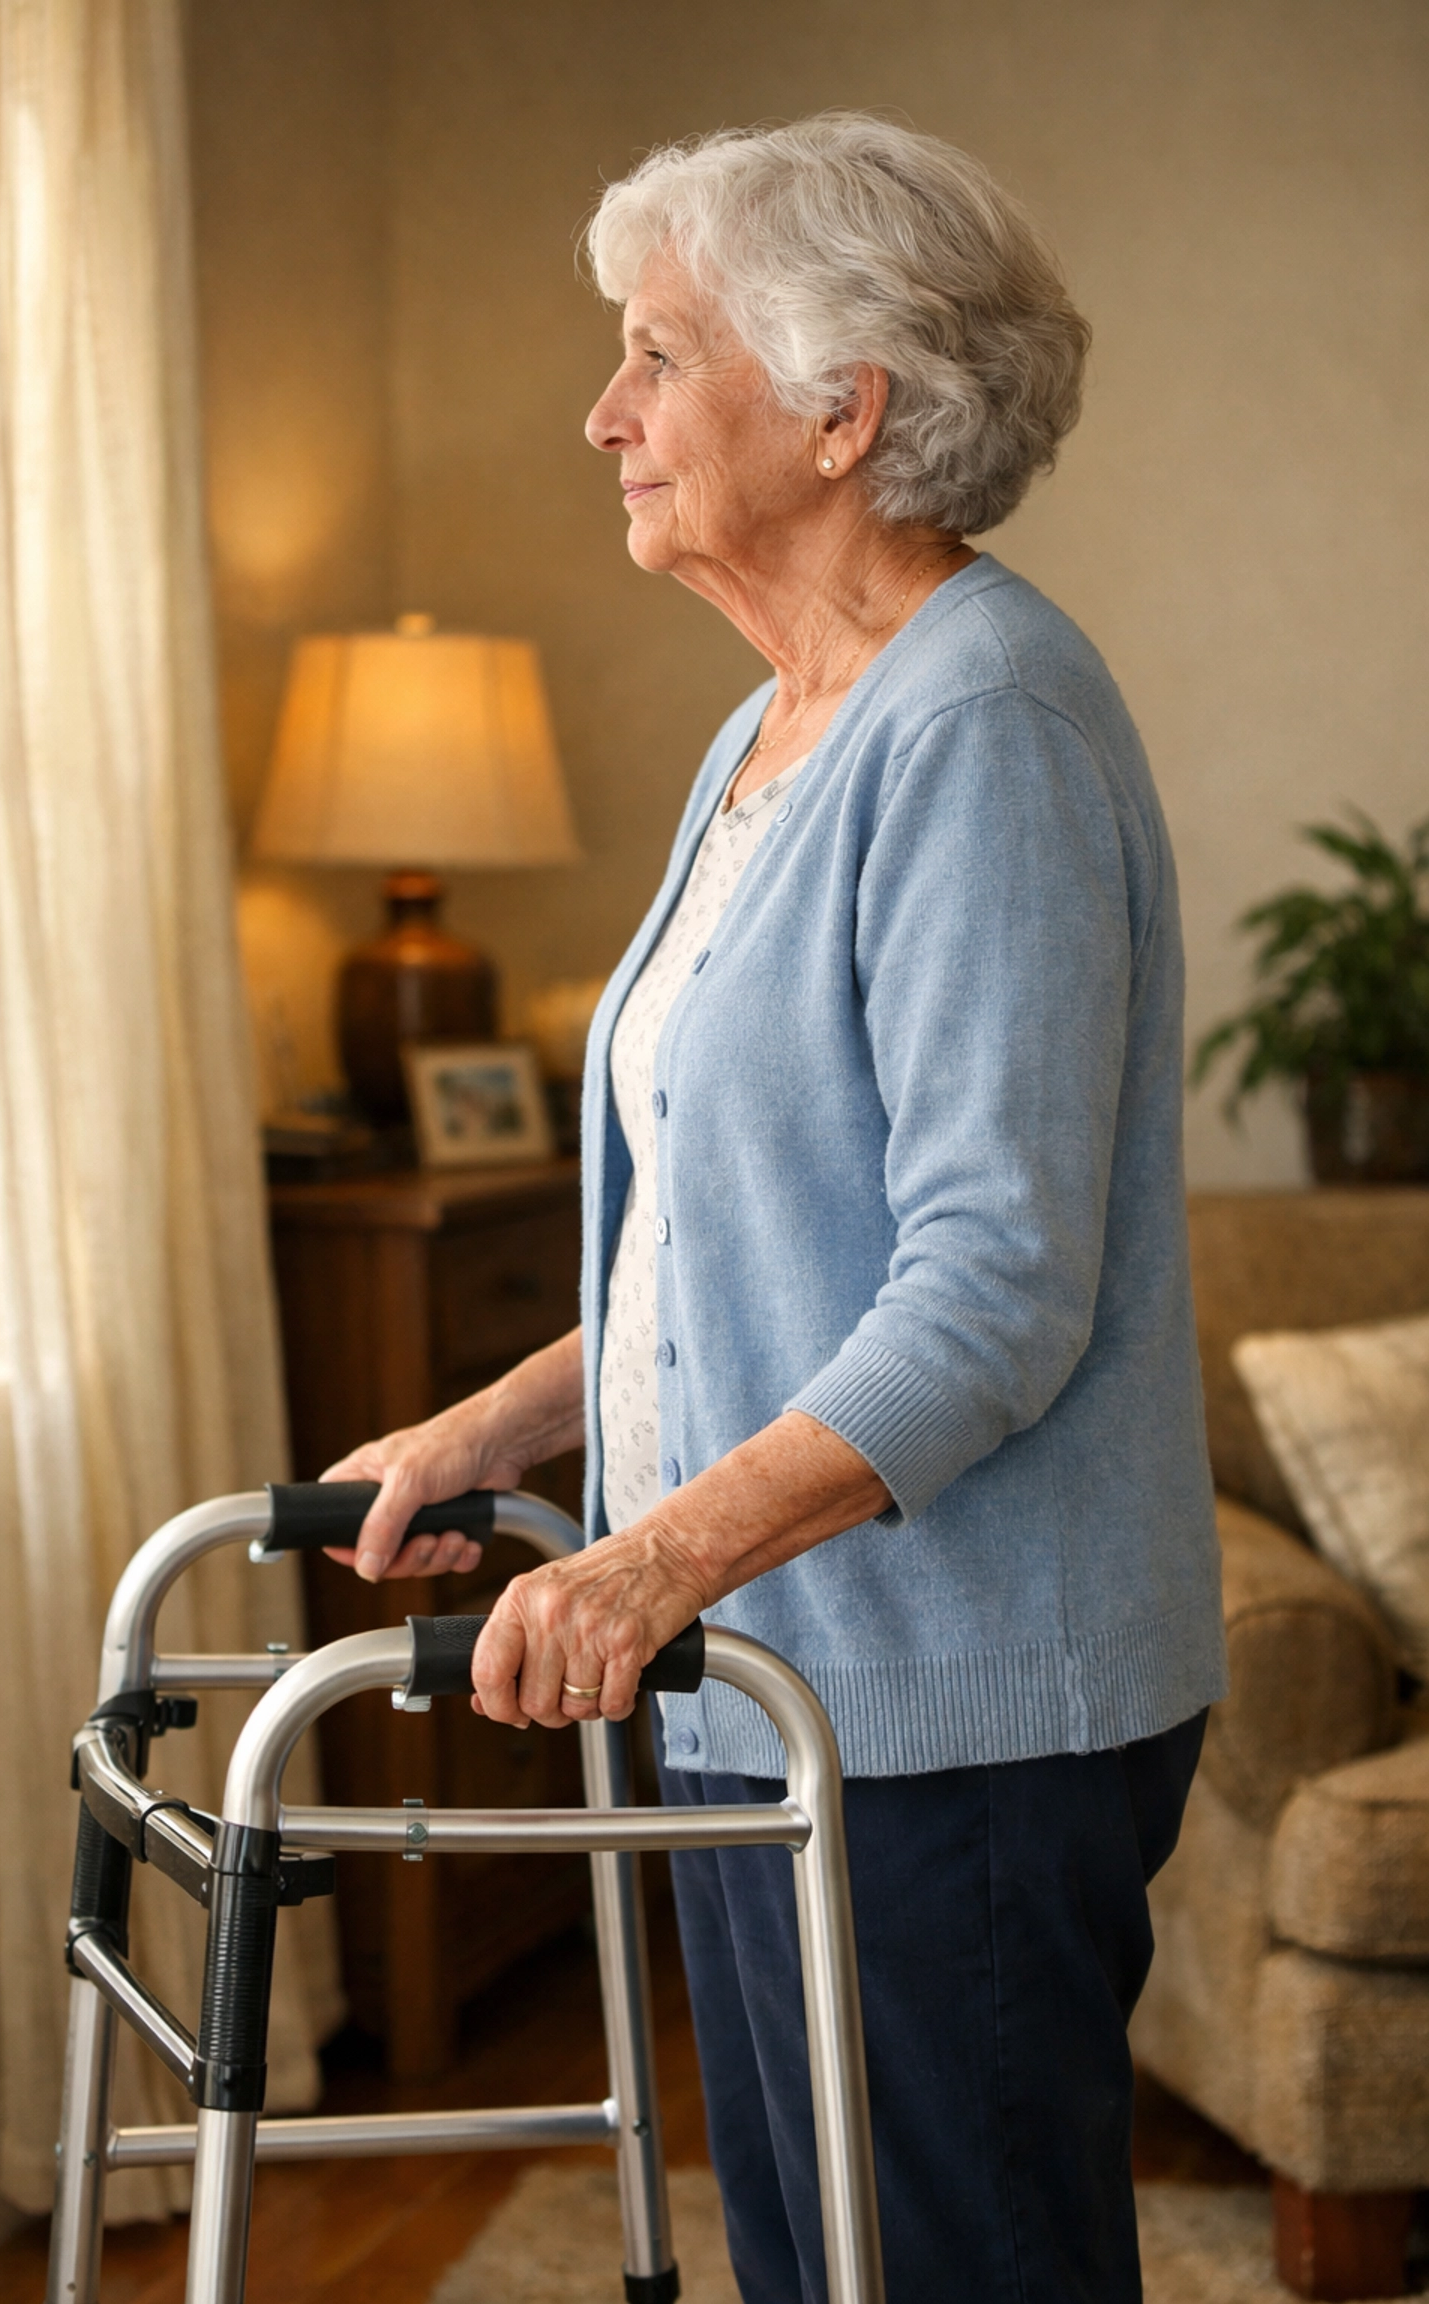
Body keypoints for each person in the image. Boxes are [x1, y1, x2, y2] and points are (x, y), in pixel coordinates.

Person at [322, 113, 1226, 2304]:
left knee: (952, 2265)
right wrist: (491, 1433)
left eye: (659, 354)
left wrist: (647, 1560)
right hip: (770, 1671)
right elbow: (730, 1242)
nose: (603, 412)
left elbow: (994, 1287)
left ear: (845, 413)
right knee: (823, 2265)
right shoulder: (779, 729)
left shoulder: (982, 724)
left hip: (955, 1707)